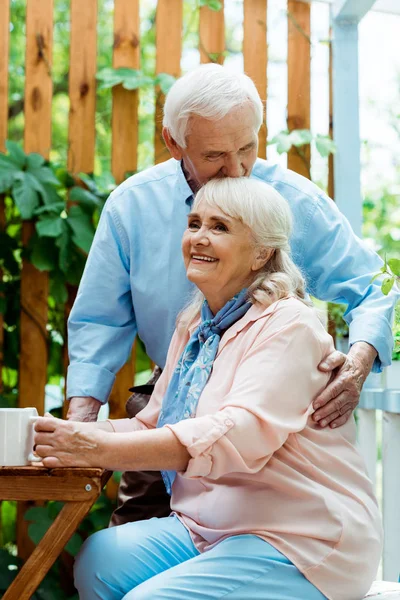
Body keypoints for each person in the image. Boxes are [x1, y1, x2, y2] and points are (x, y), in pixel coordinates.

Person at [66, 64, 397, 525]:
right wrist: (79, 426)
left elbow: (373, 286)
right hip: (169, 401)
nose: (238, 169)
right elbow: (100, 323)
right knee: (124, 554)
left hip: (273, 417)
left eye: (248, 148)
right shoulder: (131, 206)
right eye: (217, 155)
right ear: (173, 143)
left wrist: (358, 365)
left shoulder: (294, 199)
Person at [34, 178, 382, 600]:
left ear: (261, 253)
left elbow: (236, 433)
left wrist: (100, 450)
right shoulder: (196, 322)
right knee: (99, 561)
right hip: (211, 526)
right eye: (194, 222)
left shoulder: (289, 324)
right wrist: (65, 438)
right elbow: (153, 420)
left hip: (301, 537)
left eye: (220, 227)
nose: (199, 237)